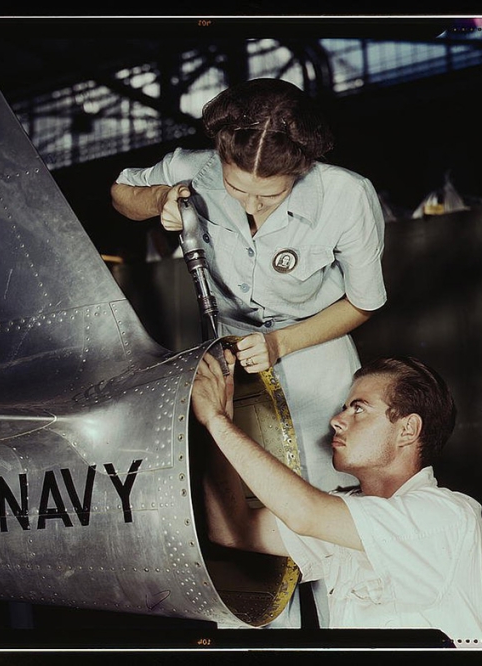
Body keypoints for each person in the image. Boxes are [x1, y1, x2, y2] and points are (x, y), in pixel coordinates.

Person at [111, 78, 387, 626]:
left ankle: (341, 630)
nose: (252, 204)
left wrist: (283, 342)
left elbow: (364, 301)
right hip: (227, 353)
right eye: (239, 191)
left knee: (327, 501)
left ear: (302, 168)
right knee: (242, 506)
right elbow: (121, 192)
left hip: (313, 346)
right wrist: (161, 199)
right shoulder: (198, 167)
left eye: (271, 194)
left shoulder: (348, 194)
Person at [191, 350, 482, 647]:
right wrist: (222, 416)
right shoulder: (348, 515)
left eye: (359, 408)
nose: (337, 420)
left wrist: (218, 421)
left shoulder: (447, 516)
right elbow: (231, 531)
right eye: (345, 407)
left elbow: (305, 513)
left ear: (408, 430)